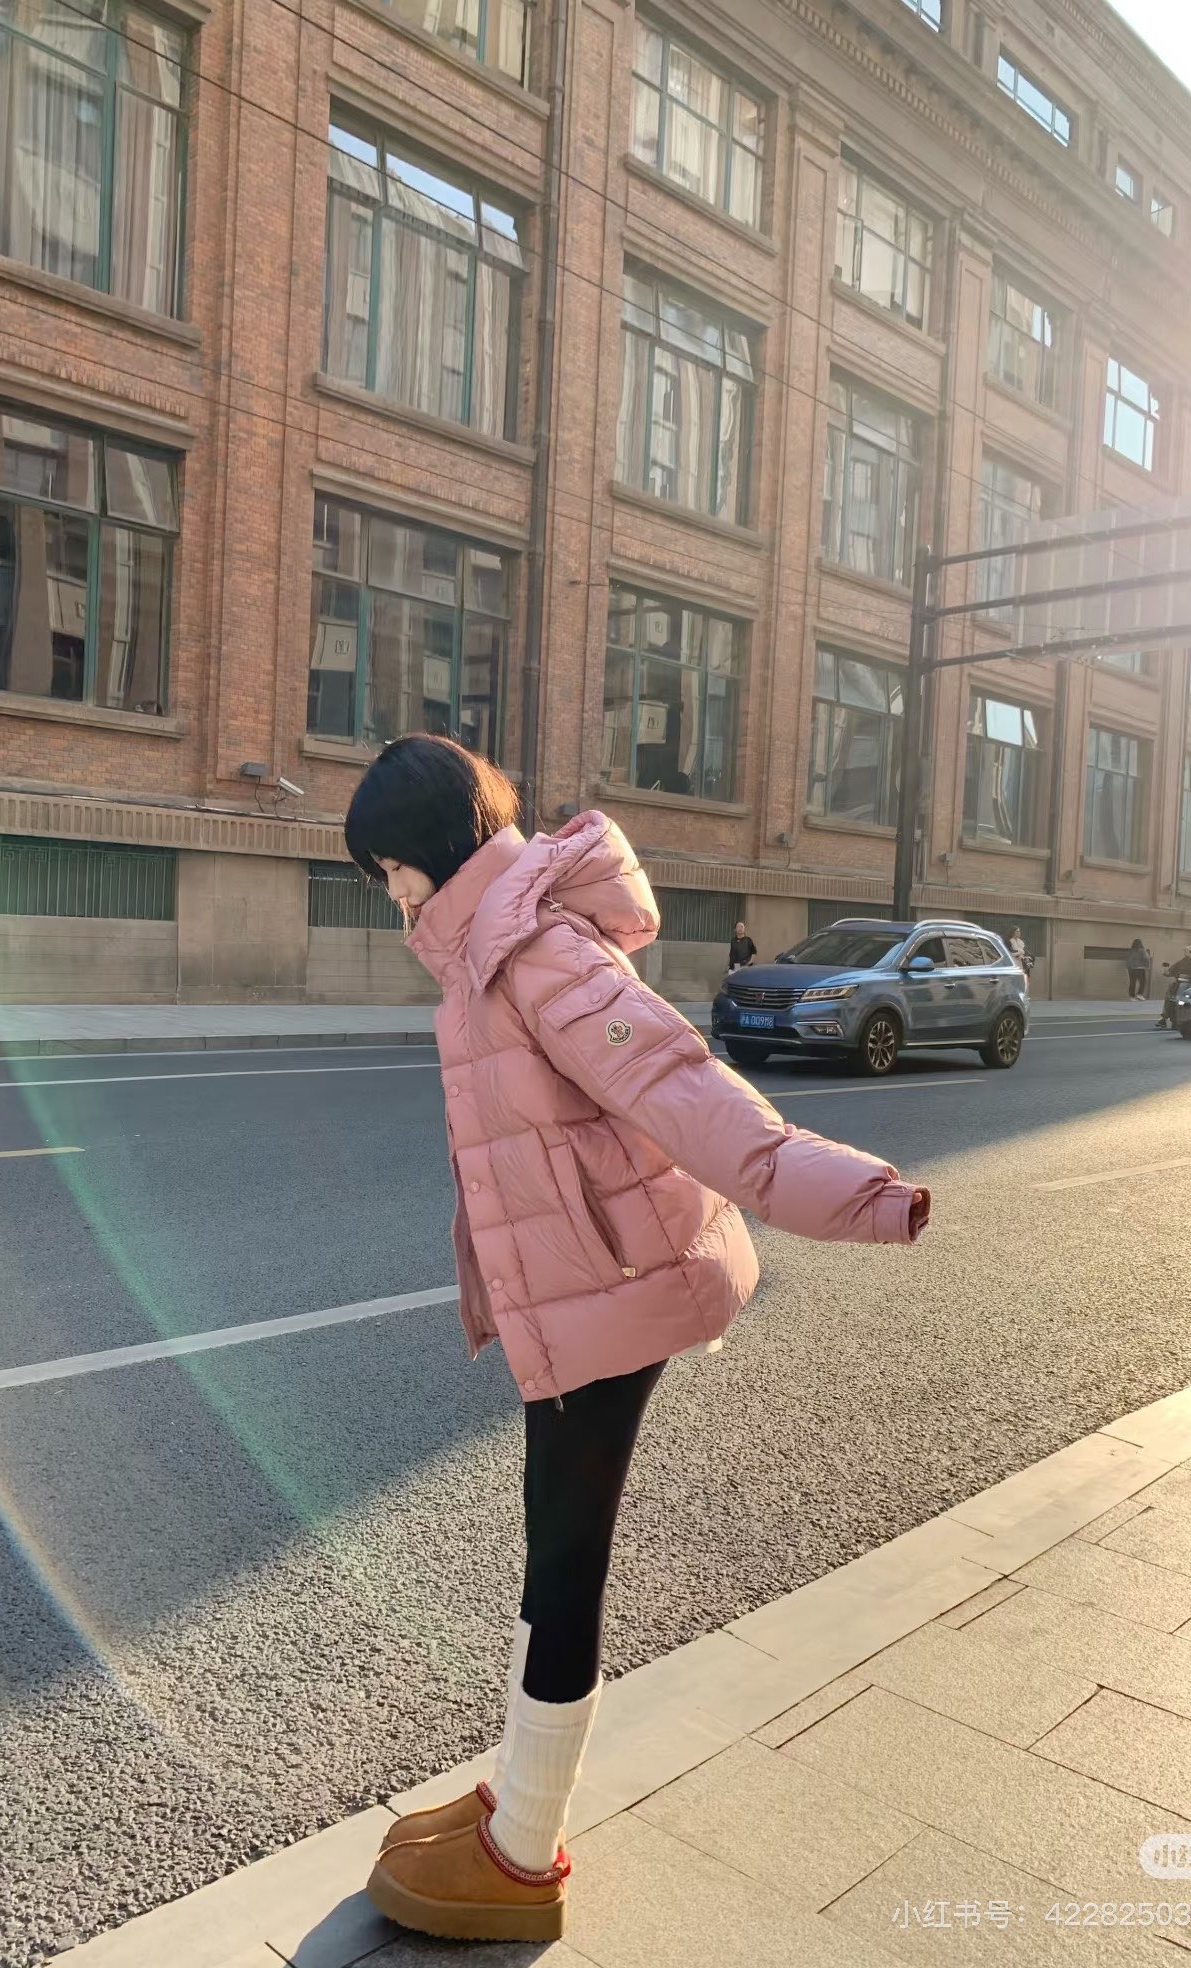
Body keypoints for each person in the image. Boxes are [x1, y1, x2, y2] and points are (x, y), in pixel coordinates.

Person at [344, 736, 930, 1945]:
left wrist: (850, 1193)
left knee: (565, 1562)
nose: (390, 892)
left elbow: (689, 1094)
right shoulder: (487, 950)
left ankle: (523, 1853)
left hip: (610, 1289)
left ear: (432, 847)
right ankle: (516, 1795)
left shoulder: (538, 954)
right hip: (578, 1287)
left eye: (388, 866)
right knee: (550, 1546)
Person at [1157, 944, 1191, 1029]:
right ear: (1190, 953)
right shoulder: (1188, 964)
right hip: (1185, 986)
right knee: (1171, 998)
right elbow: (1168, 973)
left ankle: (1165, 1018)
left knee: (1172, 999)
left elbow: (1168, 973)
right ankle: (1166, 1018)